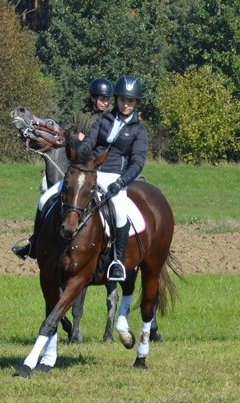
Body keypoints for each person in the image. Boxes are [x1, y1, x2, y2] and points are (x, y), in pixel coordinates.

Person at [12, 78, 114, 260]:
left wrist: (87, 140)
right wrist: (73, 135)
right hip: (77, 168)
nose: (106, 102)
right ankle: (34, 244)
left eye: (107, 99)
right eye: (102, 99)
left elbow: (107, 141)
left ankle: (114, 248)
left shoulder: (108, 119)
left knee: (110, 204)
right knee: (44, 199)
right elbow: (65, 132)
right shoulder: (79, 116)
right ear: (93, 98)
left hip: (97, 167)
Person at [73, 75, 149, 280]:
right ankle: (35, 242)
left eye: (130, 101)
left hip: (116, 176)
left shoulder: (138, 130)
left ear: (136, 103)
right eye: (123, 100)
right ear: (117, 99)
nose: (126, 104)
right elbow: (89, 142)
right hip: (92, 172)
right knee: (52, 194)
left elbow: (138, 162)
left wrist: (122, 182)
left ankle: (117, 261)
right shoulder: (103, 120)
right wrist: (80, 154)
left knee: (120, 211)